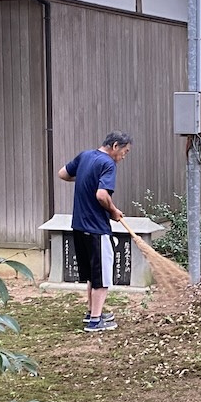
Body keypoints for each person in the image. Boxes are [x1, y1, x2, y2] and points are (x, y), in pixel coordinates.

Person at [58, 131, 132, 332]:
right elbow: (101, 195)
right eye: (124, 152)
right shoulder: (108, 163)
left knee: (92, 274)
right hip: (96, 228)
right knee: (102, 276)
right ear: (115, 146)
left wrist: (85, 177)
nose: (123, 157)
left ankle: (92, 313)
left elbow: (63, 173)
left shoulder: (85, 156)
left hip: (79, 226)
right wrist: (114, 211)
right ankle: (95, 321)